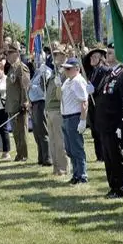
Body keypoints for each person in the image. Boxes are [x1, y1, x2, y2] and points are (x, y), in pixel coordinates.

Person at [94, 58, 123, 198]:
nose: (107, 55)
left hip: (114, 122)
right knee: (109, 157)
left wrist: (122, 124)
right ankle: (113, 186)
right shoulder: (110, 73)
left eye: (111, 52)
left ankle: (121, 188)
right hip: (105, 123)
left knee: (116, 156)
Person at [60, 57, 90, 184]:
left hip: (74, 117)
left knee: (77, 148)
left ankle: (82, 175)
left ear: (77, 68)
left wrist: (83, 120)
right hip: (66, 117)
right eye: (65, 68)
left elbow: (84, 102)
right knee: (70, 148)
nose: (66, 71)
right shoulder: (68, 81)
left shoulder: (78, 81)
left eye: (68, 68)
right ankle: (76, 174)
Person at [45, 47, 70, 176]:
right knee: (52, 141)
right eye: (54, 54)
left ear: (64, 55)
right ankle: (56, 167)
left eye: (58, 54)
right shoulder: (54, 72)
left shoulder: (65, 71)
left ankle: (63, 167)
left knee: (60, 142)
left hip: (58, 109)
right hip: (50, 109)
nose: (55, 56)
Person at [4, 42, 31, 162]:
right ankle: (19, 154)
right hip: (12, 104)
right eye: (7, 53)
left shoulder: (21, 67)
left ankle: (23, 155)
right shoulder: (12, 68)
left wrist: (24, 102)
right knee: (16, 132)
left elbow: (25, 86)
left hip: (19, 105)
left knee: (21, 131)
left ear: (17, 53)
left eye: (10, 53)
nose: (8, 56)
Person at [28, 55, 52, 166]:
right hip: (34, 103)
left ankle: (47, 158)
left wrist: (31, 86)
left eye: (36, 59)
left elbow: (45, 90)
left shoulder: (46, 72)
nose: (34, 61)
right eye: (33, 60)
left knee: (43, 131)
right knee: (37, 132)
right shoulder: (37, 72)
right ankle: (41, 157)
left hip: (41, 102)